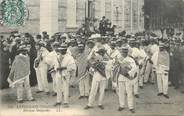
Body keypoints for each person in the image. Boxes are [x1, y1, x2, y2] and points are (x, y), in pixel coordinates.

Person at [54, 43, 76, 107]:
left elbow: (73, 66)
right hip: (58, 73)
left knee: (65, 87)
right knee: (58, 87)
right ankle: (58, 101)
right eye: (61, 50)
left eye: (64, 49)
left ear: (66, 50)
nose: (62, 51)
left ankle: (66, 102)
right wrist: (56, 68)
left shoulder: (70, 57)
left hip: (65, 74)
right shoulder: (57, 56)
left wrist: (64, 68)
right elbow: (55, 65)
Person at [117, 46, 137, 113]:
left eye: (125, 52)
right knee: (121, 92)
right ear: (121, 52)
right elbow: (114, 67)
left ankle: (131, 107)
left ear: (127, 52)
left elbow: (134, 68)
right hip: (120, 77)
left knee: (129, 93)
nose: (124, 53)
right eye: (123, 52)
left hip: (128, 78)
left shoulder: (131, 59)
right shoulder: (119, 58)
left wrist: (128, 73)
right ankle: (121, 105)